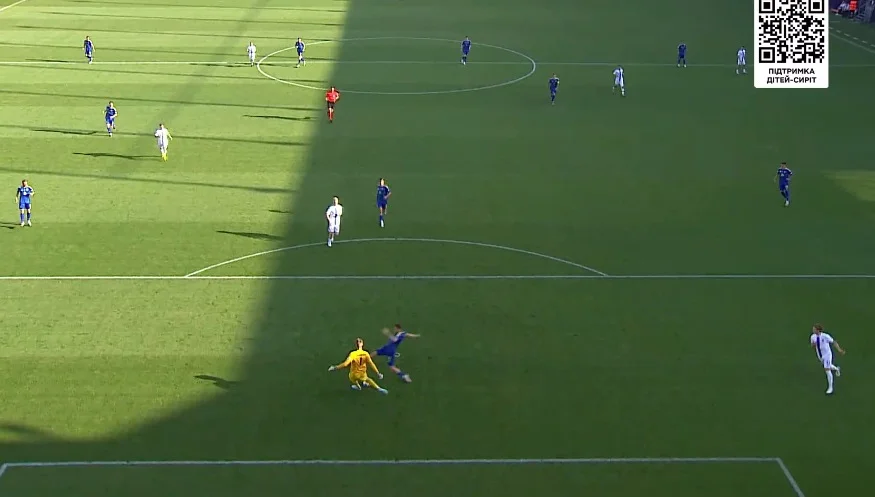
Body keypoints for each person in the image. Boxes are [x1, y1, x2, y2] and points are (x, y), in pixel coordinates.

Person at [810, 324, 845, 395]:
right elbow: (812, 346)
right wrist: (813, 345)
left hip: (827, 355)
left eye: (814, 329)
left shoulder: (825, 336)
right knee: (828, 366)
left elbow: (834, 342)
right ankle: (836, 369)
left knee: (827, 369)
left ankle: (830, 388)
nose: (813, 330)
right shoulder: (813, 337)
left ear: (818, 330)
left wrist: (839, 350)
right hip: (820, 355)